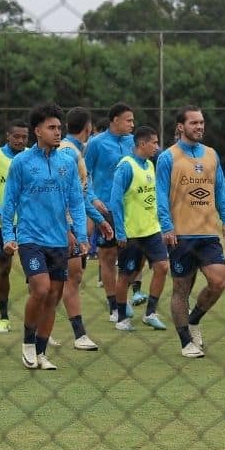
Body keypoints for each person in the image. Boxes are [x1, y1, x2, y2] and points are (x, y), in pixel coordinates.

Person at [1, 103, 86, 371]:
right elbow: (9, 202)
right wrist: (7, 235)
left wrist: (81, 236)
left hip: (59, 240)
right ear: (37, 131)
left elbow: (76, 201)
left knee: (54, 297)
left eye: (59, 128)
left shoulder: (67, 162)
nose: (57, 132)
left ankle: (41, 352)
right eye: (51, 128)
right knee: (41, 288)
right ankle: (27, 343)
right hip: (30, 238)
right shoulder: (21, 162)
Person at [157, 105, 225, 358]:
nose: (199, 127)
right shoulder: (168, 157)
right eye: (194, 123)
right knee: (181, 289)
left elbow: (220, 190)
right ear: (181, 127)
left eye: (201, 122)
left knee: (219, 281)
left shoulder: (211, 155)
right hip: (181, 234)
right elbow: (160, 195)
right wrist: (167, 226)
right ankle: (185, 342)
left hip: (208, 233)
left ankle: (194, 320)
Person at [57, 107, 110, 350]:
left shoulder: (76, 151)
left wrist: (98, 220)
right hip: (62, 225)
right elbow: (67, 196)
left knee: (68, 278)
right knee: (70, 276)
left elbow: (80, 195)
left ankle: (42, 330)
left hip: (71, 223)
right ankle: (79, 335)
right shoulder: (68, 153)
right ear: (88, 128)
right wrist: (69, 228)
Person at [109, 125, 170, 331]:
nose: (157, 147)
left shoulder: (150, 166)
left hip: (152, 230)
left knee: (162, 267)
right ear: (142, 144)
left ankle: (150, 313)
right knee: (126, 276)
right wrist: (120, 231)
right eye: (154, 142)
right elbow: (115, 201)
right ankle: (121, 319)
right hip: (131, 233)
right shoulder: (126, 166)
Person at [84, 103, 138, 315]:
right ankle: (114, 305)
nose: (132, 124)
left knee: (137, 253)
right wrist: (93, 198)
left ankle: (125, 293)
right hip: (107, 208)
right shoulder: (96, 143)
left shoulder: (134, 142)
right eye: (129, 120)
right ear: (115, 120)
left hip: (133, 208)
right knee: (108, 257)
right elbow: (85, 173)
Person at [0, 120, 28, 334]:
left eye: (24, 137)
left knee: (35, 270)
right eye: (16, 137)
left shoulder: (31, 156)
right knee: (4, 269)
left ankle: (35, 318)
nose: (20, 141)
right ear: (8, 136)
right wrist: (1, 215)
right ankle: (3, 318)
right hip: (2, 223)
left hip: (29, 223)